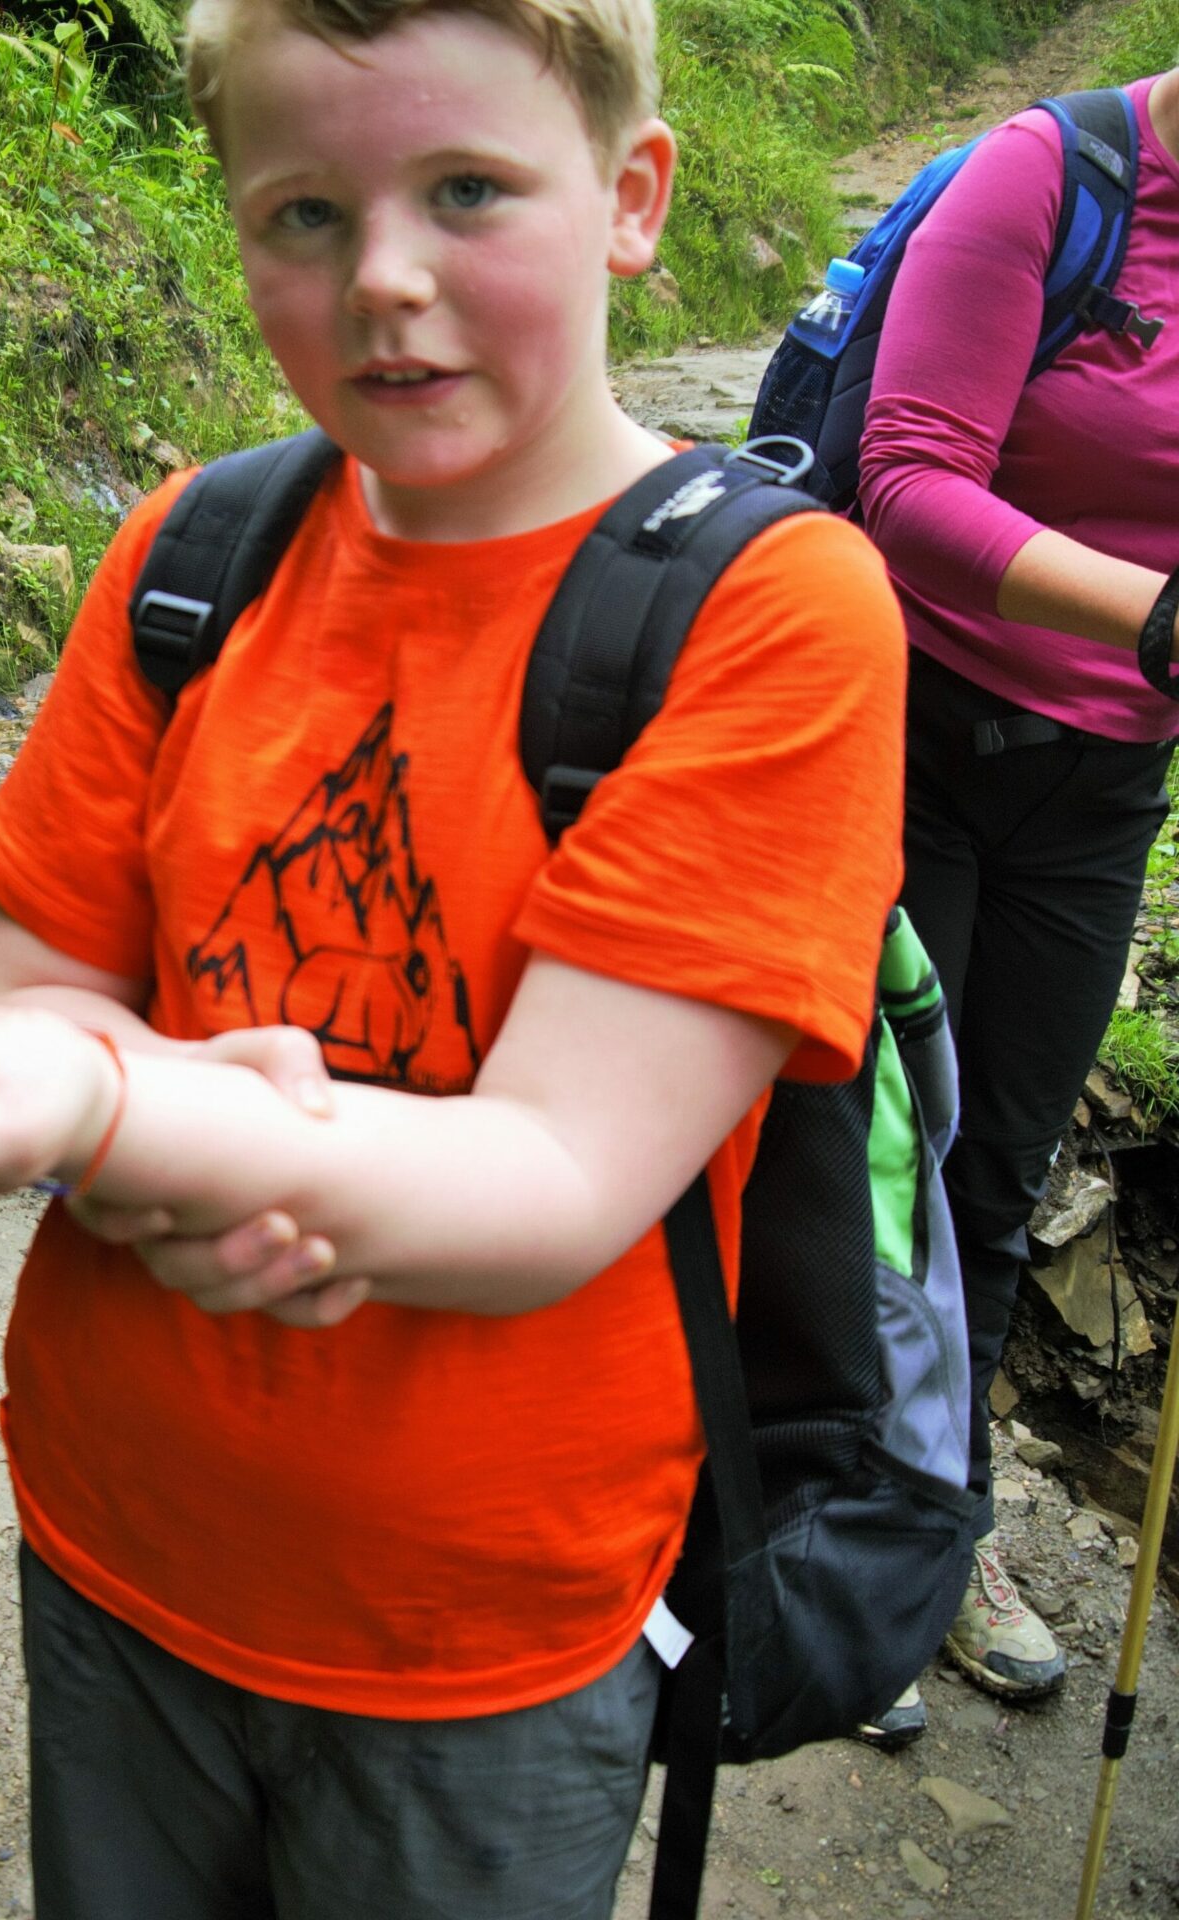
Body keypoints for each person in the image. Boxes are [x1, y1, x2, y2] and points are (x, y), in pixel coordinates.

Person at [0, 0, 911, 1911]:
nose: (386, 284)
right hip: (121, 1558)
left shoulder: (773, 615)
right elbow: (25, 989)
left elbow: (554, 1178)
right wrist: (111, 1094)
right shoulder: (199, 553)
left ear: (632, 197)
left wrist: (149, 1116)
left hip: (479, 1645)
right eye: (302, 215)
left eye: (467, 193)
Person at [857, 66, 1179, 1734]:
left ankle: (938, 1536)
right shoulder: (1051, 181)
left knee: (993, 1172)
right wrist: (1163, 616)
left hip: (1104, 787)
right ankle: (814, 1538)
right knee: (866, 1149)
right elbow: (906, 480)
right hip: (911, 728)